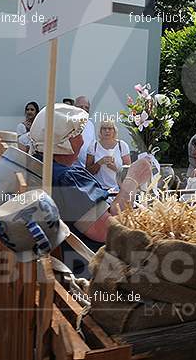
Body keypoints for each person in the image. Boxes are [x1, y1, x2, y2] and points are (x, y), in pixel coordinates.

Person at [29, 104, 151, 273]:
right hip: (83, 268)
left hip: (46, 262)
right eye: (78, 134)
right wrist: (132, 180)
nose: (83, 140)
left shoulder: (35, 165)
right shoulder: (68, 178)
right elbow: (106, 230)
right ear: (64, 142)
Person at [85, 119, 131, 192]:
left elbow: (128, 172)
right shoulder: (93, 146)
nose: (107, 131)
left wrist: (115, 168)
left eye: (110, 128)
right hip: (99, 189)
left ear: (114, 130)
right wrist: (99, 163)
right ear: (100, 131)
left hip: (118, 188)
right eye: (104, 128)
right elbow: (87, 172)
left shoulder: (122, 145)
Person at [73, 96, 96, 167]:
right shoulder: (67, 122)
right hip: (69, 167)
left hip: (85, 168)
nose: (84, 109)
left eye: (86, 107)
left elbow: (93, 146)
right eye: (81, 107)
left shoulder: (90, 125)